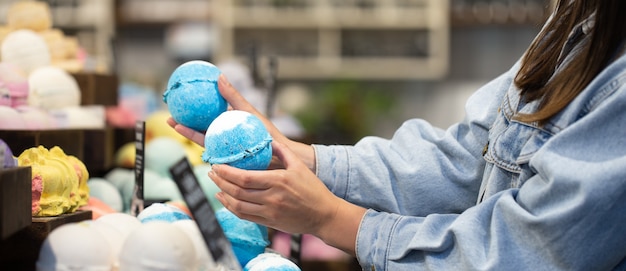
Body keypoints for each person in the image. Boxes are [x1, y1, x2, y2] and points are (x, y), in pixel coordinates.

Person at [168, 0, 626, 269]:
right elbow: (468, 156)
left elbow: (523, 250)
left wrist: (330, 219)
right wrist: (305, 159)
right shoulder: (577, 19)